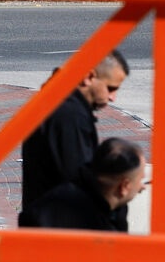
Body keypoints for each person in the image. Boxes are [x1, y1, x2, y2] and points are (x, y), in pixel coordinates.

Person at [6, 138, 146, 262]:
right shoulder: (79, 220)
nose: (143, 186)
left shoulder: (108, 205)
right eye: (141, 180)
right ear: (124, 187)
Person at [21, 50, 130, 212]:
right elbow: (77, 180)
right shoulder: (69, 116)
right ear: (88, 77)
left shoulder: (60, 104)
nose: (113, 98)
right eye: (110, 88)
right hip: (59, 225)